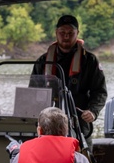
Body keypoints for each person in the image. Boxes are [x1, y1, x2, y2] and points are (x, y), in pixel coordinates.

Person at [31, 14, 107, 145]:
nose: (66, 36)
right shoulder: (42, 62)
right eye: (62, 32)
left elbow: (99, 91)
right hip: (48, 122)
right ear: (56, 33)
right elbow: (32, 92)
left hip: (79, 122)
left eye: (70, 33)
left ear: (77, 33)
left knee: (83, 158)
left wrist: (93, 111)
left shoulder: (89, 61)